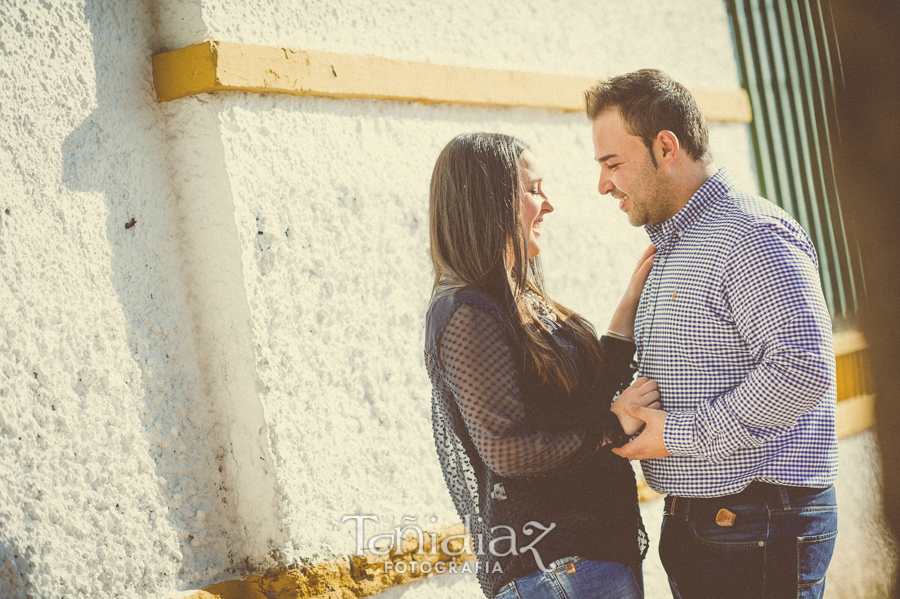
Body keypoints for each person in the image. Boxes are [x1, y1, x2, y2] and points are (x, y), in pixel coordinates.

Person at [584, 69, 839, 598]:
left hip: (756, 524)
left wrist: (675, 435)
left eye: (613, 163)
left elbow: (802, 367)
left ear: (666, 146)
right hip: (713, 527)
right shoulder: (675, 246)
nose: (604, 184)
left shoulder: (750, 234)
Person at [425, 132, 658, 599]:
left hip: (582, 564)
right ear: (489, 204)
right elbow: (508, 450)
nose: (547, 205)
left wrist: (631, 301)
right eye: (532, 190)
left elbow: (579, 398)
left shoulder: (516, 298)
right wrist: (611, 426)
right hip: (554, 570)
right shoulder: (467, 311)